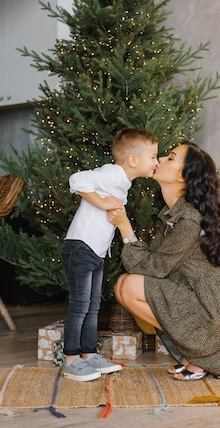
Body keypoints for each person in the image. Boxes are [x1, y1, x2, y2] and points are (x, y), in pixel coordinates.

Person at [108, 141, 220, 380]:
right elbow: (154, 265)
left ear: (183, 177)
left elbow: (154, 268)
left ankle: (202, 356)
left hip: (217, 312)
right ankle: (196, 354)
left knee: (129, 286)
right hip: (203, 302)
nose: (161, 159)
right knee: (122, 285)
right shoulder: (172, 214)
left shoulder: (189, 218)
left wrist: (125, 227)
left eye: (171, 158)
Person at [62, 128, 159, 382]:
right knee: (81, 306)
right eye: (153, 156)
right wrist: (102, 202)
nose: (156, 162)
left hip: (95, 250)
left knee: (93, 306)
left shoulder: (122, 181)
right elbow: (77, 179)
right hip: (81, 246)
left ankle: (88, 354)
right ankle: (71, 359)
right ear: (133, 160)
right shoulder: (112, 174)